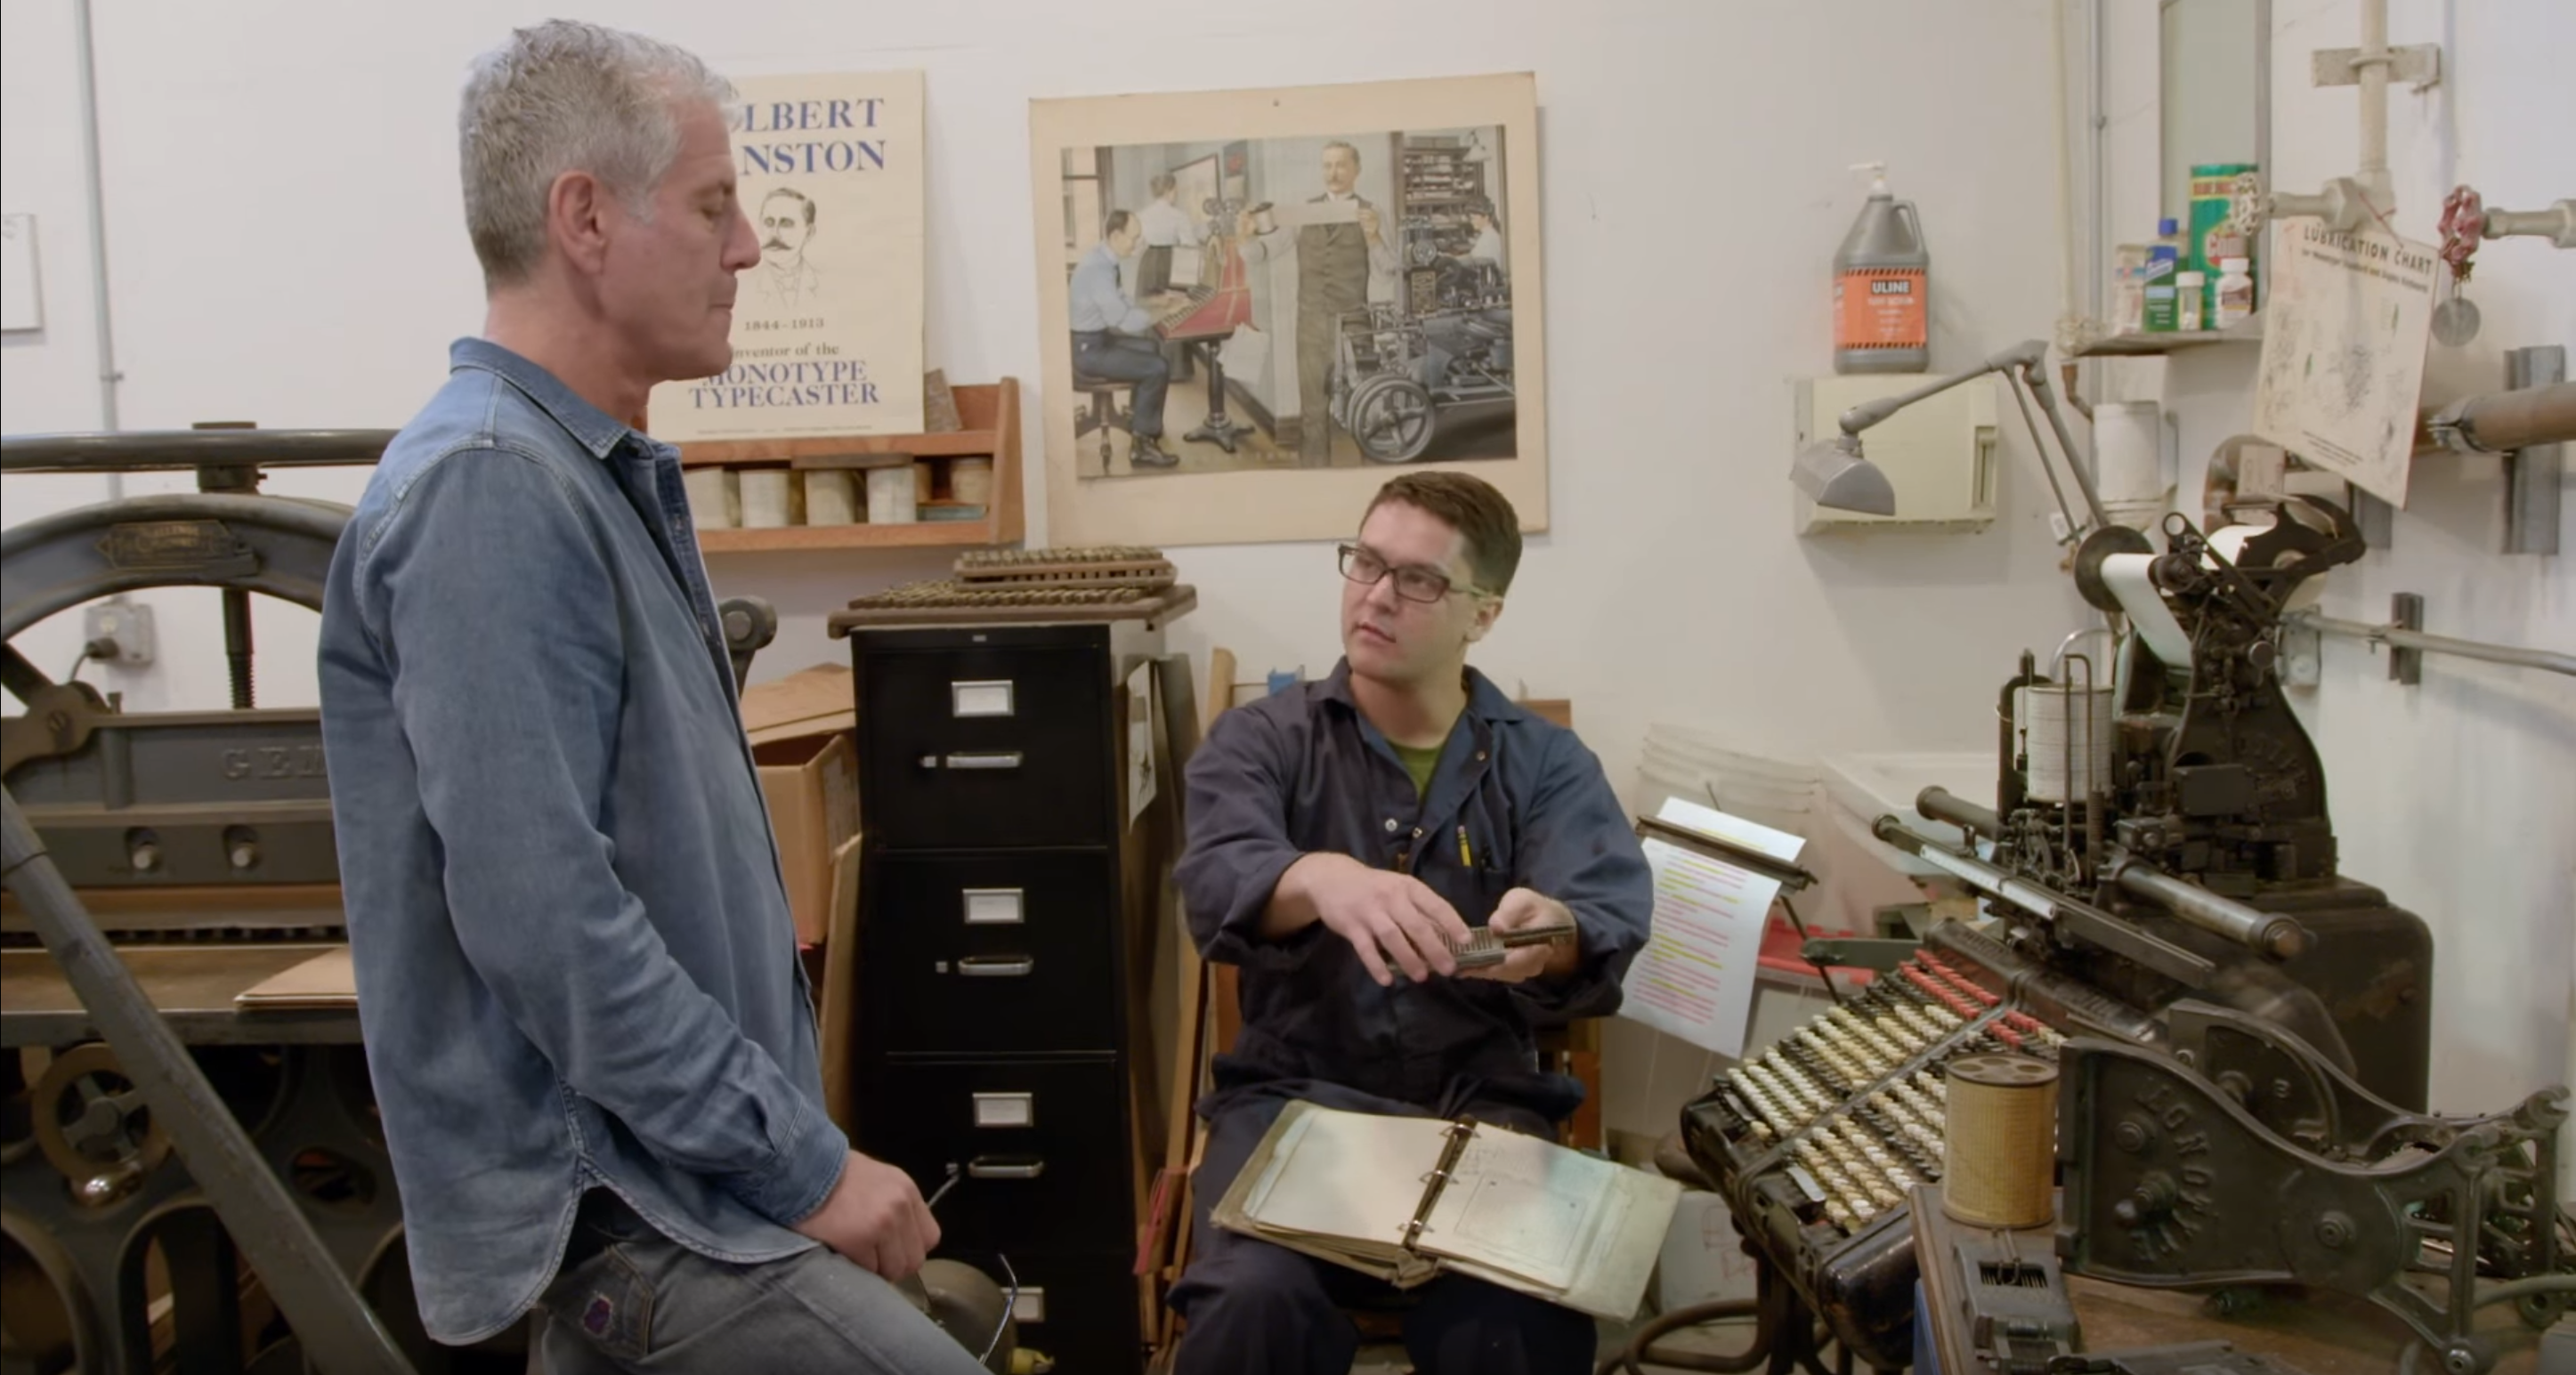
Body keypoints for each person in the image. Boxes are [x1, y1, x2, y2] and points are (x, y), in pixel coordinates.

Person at [315, 20, 988, 1374]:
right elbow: (547, 922)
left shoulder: (576, 474)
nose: (746, 248)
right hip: (632, 1219)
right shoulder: (492, 486)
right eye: (712, 204)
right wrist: (804, 1164)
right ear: (583, 217)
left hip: (685, 1194)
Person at [1165, 472, 1654, 1375]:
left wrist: (1545, 933)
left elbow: (1599, 917)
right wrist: (1317, 877)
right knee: (1247, 1302)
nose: (1377, 596)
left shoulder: (1542, 762)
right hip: (1291, 1104)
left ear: (1483, 614)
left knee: (1515, 1320)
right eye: (1365, 562)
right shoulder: (1261, 740)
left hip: (1481, 1107)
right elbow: (1216, 875)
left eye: (1418, 580)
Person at [1236, 140, 1399, 465]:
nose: (1333, 173)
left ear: (1356, 170)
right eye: (1327, 165)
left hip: (1355, 325)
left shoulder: (1372, 211)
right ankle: (1316, 485)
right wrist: (1245, 234)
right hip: (1311, 327)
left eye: (1341, 165)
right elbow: (1260, 254)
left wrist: (1373, 236)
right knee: (1312, 413)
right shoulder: (1303, 213)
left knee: (1366, 409)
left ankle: (1371, 484)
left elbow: (1389, 271)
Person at [1071, 208, 1189, 469]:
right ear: (1115, 235)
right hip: (1088, 351)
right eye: (1134, 238)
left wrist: (1153, 301)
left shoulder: (1104, 260)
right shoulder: (1099, 270)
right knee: (1158, 367)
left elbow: (1121, 302)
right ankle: (1143, 446)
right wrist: (1163, 312)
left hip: (1092, 340)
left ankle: (1140, 421)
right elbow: (1122, 320)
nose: (1138, 245)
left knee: (1150, 346)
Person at [751, 185, 823, 313]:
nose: (775, 233)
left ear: (809, 233)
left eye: (786, 224)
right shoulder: (742, 286)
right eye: (769, 222)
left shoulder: (827, 284)